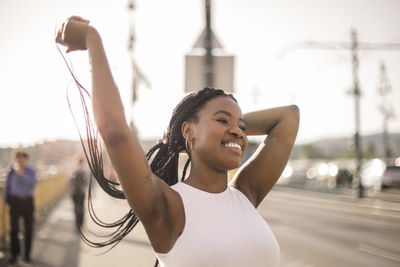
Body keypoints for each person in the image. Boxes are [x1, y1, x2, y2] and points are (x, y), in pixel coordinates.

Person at [56, 16, 299, 267]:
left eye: (242, 127)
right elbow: (115, 131)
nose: (239, 132)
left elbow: (289, 117)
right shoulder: (169, 206)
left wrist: (223, 129)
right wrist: (92, 38)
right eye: (222, 120)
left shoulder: (245, 194)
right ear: (189, 130)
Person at [3, 149, 37, 264]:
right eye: (18, 157)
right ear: (15, 158)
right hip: (15, 202)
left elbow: (33, 183)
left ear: (26, 159)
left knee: (28, 230)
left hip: (27, 202)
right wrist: (4, 201)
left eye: (22, 157)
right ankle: (14, 254)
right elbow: (7, 187)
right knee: (14, 230)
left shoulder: (31, 170)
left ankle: (26, 255)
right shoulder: (11, 171)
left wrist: (22, 173)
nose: (20, 159)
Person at [69, 156, 89, 228]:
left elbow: (70, 181)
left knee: (75, 206)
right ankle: (81, 222)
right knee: (82, 206)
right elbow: (87, 181)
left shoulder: (74, 170)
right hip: (82, 191)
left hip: (75, 191)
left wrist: (70, 190)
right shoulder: (84, 171)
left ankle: (77, 222)